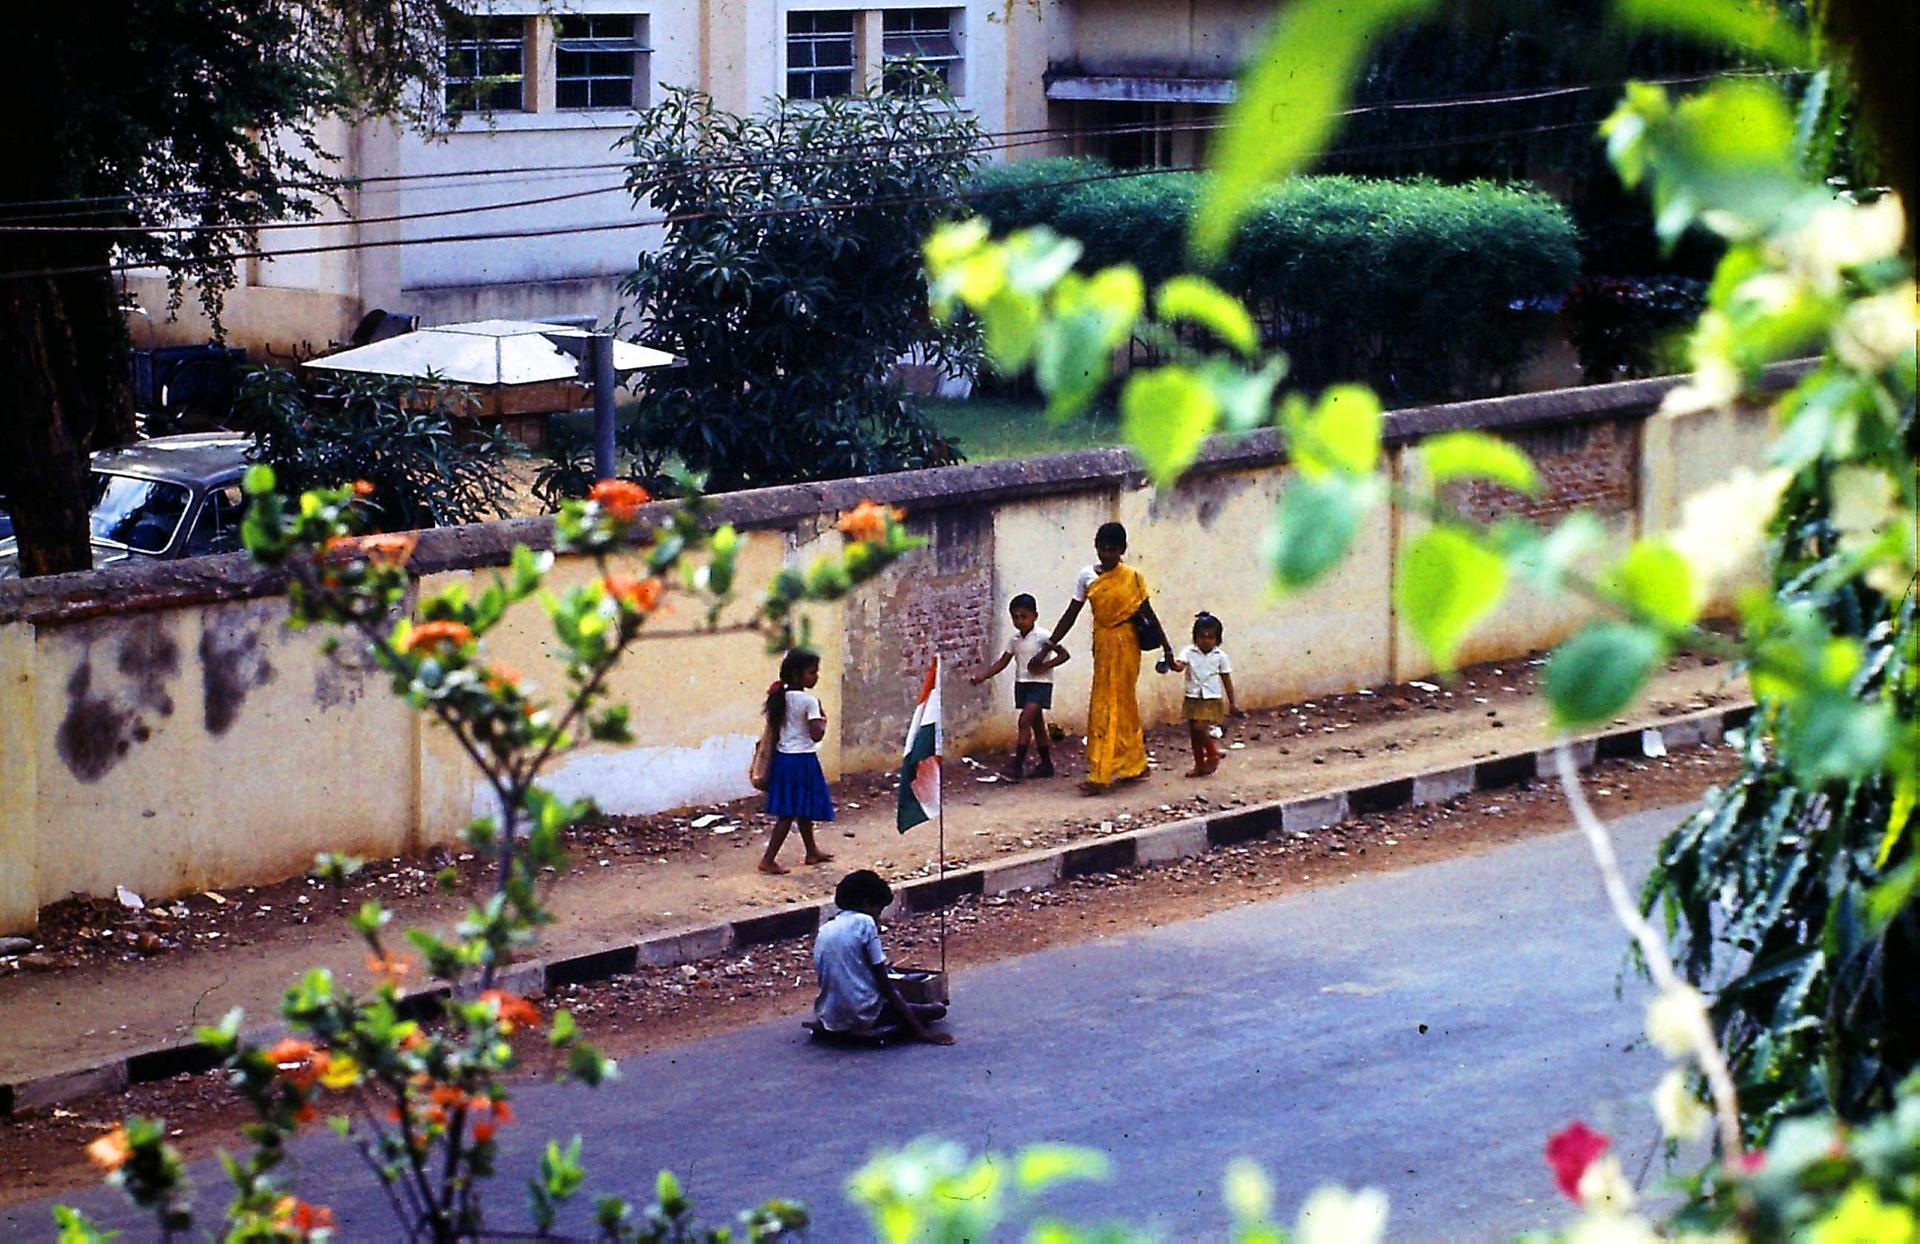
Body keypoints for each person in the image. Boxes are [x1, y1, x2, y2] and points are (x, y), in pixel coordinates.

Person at [1046, 521, 1175, 795]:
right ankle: (1117, 767)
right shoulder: (1086, 577)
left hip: (1127, 646)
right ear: (1096, 548)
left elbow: (1149, 614)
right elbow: (1071, 614)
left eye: (1113, 549)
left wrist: (1168, 649)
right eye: (1103, 549)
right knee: (1103, 705)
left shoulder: (1133, 577)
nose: (1107, 554)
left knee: (1122, 704)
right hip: (1103, 646)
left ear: (1123, 550)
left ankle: (1108, 772)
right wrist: (1050, 644)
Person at [813, 870, 953, 1044]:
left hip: (829, 1014)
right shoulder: (866, 923)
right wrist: (922, 1032)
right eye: (878, 910)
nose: (878, 916)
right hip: (863, 1013)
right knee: (938, 1009)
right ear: (866, 904)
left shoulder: (826, 928)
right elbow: (885, 986)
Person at [970, 593, 1071, 781]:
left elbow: (1064, 655)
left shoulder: (1044, 637)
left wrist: (1045, 666)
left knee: (1024, 721)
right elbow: (1003, 661)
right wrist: (983, 676)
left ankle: (1017, 766)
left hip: (1040, 684)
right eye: (1015, 617)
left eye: (1024, 616)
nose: (1019, 621)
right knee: (1037, 724)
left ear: (1035, 616)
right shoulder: (1014, 640)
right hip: (1022, 683)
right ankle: (1046, 764)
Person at [759, 649, 837, 875]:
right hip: (802, 760)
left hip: (784, 759)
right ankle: (768, 859)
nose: (816, 677)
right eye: (812, 672)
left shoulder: (780, 698)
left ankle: (812, 851)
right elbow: (816, 735)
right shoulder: (809, 701)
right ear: (796, 674)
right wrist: (822, 718)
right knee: (791, 811)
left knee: (799, 808)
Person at [1170, 611, 1242, 777]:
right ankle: (1199, 766)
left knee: (1200, 728)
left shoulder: (1221, 657)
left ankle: (1212, 755)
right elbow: (1179, 666)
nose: (1206, 640)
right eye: (1202, 636)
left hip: (1211, 698)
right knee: (1194, 735)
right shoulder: (1188, 652)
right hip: (1193, 697)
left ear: (1217, 639)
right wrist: (1170, 662)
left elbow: (1226, 680)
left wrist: (1232, 702)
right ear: (1195, 637)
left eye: (1211, 637)